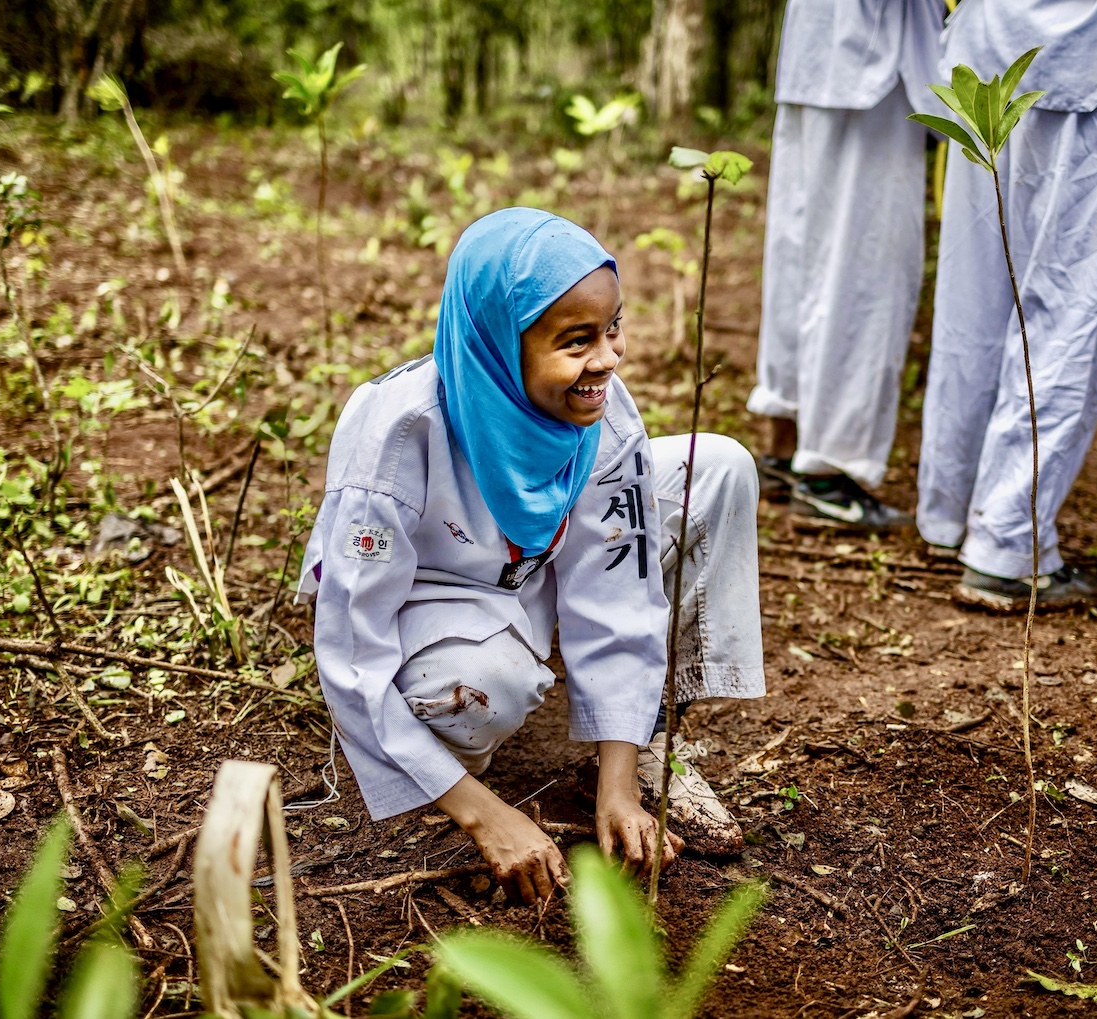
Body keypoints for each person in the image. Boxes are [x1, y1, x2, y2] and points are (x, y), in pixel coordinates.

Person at [297, 208, 767, 898]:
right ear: (497, 344)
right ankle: (461, 726)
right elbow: (349, 646)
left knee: (718, 465)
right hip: (434, 590)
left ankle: (646, 737)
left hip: (529, 568)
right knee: (482, 691)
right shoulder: (399, 435)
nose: (607, 359)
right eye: (576, 341)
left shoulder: (598, 406)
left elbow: (618, 589)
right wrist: (486, 816)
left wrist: (618, 788)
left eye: (612, 329)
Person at [863, 0, 1097, 608]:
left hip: (985, 37)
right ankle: (1007, 543)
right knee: (1068, 298)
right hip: (1085, 42)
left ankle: (953, 512)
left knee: (975, 289)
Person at [748, 0, 949, 529]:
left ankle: (784, 445)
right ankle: (829, 471)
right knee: (863, 263)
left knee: (802, 248)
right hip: (871, 37)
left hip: (821, 18)